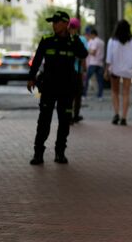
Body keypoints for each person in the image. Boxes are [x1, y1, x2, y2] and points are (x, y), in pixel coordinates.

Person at [27, 10, 88, 165]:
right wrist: (31, 78)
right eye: (52, 22)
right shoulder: (47, 40)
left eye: (56, 22)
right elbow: (37, 60)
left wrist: (74, 38)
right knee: (44, 121)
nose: (53, 25)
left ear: (65, 24)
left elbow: (83, 54)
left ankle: (60, 153)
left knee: (64, 121)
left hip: (67, 88)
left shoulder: (73, 41)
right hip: (48, 87)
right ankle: (38, 153)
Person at [105, 19, 132, 126]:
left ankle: (116, 114)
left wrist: (106, 69)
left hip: (115, 69)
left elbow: (109, 58)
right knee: (126, 93)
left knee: (115, 92)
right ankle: (124, 117)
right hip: (128, 70)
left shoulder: (112, 41)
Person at [68, 18, 89, 124]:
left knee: (68, 94)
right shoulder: (82, 40)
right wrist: (84, 70)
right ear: (77, 28)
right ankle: (75, 115)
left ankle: (69, 116)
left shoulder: (64, 38)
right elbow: (83, 57)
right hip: (77, 71)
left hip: (66, 71)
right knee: (77, 94)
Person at [83, 26, 105, 99]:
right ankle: (100, 95)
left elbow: (93, 52)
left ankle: (84, 94)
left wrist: (87, 49)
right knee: (100, 80)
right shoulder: (102, 42)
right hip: (100, 63)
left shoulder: (95, 41)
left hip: (93, 63)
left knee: (86, 78)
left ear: (93, 34)